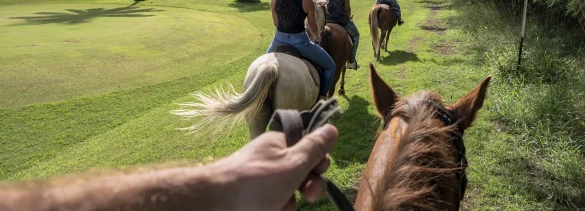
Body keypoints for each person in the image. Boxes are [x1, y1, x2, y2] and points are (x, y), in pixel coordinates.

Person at [0, 124, 339, 211]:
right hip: (299, 42)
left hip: (279, 40)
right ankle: (342, 69)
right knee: (326, 63)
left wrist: (223, 187)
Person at [267, 0, 335, 100]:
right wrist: (317, 38)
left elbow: (275, 23)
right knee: (330, 66)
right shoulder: (307, 2)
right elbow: (312, 27)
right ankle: (322, 98)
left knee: (262, 63)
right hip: (300, 43)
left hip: (277, 40)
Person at [316, 0, 360, 70]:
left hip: (324, 22)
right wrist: (349, 18)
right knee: (356, 36)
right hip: (341, 21)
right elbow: (348, 9)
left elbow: (317, 9)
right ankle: (351, 61)